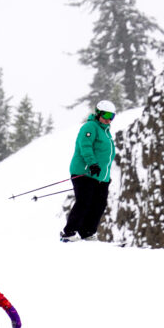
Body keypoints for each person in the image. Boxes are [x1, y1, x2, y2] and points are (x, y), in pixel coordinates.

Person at [60, 99, 117, 242]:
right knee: (84, 201)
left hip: (100, 176)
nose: (108, 119)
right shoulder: (90, 126)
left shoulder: (106, 132)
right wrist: (92, 164)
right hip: (84, 172)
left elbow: (107, 157)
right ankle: (69, 232)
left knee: (99, 204)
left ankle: (87, 232)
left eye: (111, 116)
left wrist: (106, 176)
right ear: (98, 114)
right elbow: (85, 145)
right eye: (105, 115)